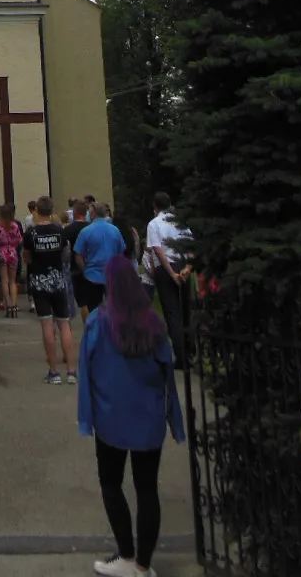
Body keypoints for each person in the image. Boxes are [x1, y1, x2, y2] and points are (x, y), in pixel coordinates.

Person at [78, 255, 185, 577]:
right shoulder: (153, 324)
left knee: (111, 484)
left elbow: (86, 373)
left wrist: (86, 417)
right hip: (148, 419)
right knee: (147, 488)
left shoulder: (98, 322)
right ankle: (143, 563)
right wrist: (174, 420)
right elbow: (168, 375)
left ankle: (126, 554)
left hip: (111, 418)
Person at [24, 196, 75, 384]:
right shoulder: (59, 231)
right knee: (64, 323)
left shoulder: (31, 233)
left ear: (37, 210)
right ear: (52, 210)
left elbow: (27, 257)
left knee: (47, 325)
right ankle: (71, 370)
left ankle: (54, 372)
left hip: (39, 281)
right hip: (58, 280)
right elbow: (65, 255)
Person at [145, 192, 192, 369]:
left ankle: (181, 355)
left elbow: (157, 249)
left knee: (172, 312)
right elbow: (189, 245)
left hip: (166, 267)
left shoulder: (154, 224)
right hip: (181, 263)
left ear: (155, 206)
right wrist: (187, 267)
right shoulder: (180, 222)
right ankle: (189, 350)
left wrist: (171, 273)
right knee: (186, 309)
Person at [75, 202, 127, 314]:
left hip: (92, 275)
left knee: (94, 309)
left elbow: (78, 255)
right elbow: (121, 251)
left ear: (93, 213)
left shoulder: (86, 231)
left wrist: (85, 270)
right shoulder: (115, 230)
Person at [0, 204, 23, 317]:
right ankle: (14, 305)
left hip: (2, 252)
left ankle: (8, 304)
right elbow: (19, 240)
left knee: (4, 280)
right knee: (12, 281)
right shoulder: (15, 226)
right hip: (12, 252)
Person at [63, 200, 91, 321]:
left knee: (83, 302)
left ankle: (88, 325)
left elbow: (64, 249)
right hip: (91, 265)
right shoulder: (91, 228)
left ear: (75, 213)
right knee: (92, 300)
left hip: (75, 267)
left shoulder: (68, 230)